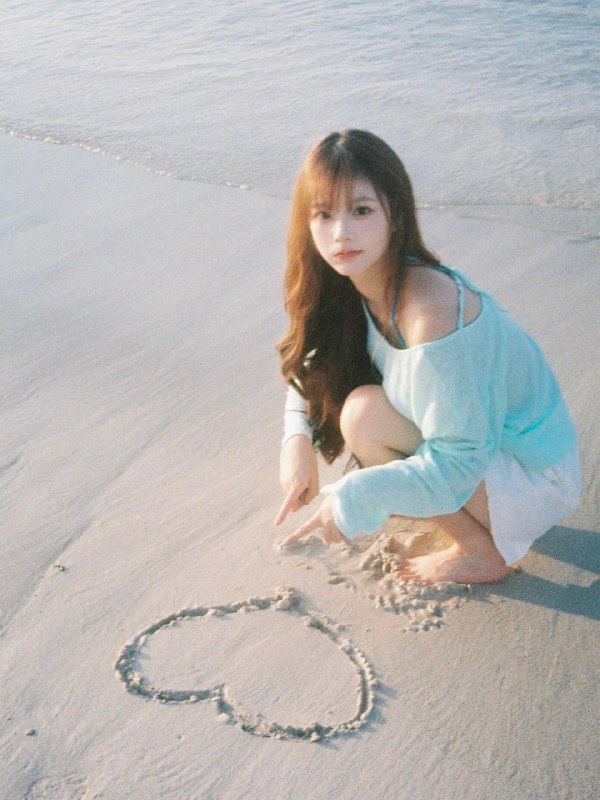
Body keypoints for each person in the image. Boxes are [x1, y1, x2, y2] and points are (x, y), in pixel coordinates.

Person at [274, 129, 581, 584]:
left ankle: (480, 551)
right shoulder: (355, 283)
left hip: (534, 476)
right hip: (481, 454)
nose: (341, 233)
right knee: (362, 411)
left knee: (363, 417)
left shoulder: (431, 313)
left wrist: (353, 498)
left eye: (361, 210)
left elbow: (459, 463)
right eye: (324, 214)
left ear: (396, 215)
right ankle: (472, 532)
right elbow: (314, 364)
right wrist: (297, 441)